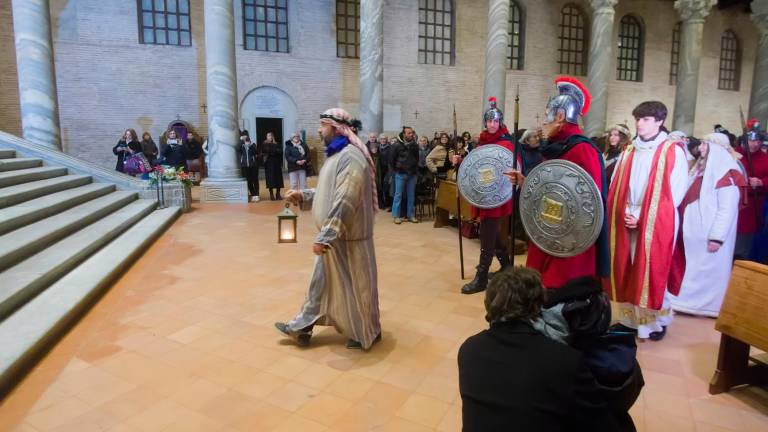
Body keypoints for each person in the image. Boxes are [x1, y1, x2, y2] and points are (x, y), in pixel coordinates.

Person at [458, 267, 621, 432]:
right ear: (539, 306)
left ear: (488, 305)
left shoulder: (469, 350)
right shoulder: (565, 360)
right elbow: (603, 423)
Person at [275, 108, 381, 350]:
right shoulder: (336, 156)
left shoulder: (351, 157)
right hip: (334, 239)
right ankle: (302, 326)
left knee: (358, 287)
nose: (319, 130)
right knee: (319, 284)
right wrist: (303, 195)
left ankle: (368, 332)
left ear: (336, 128)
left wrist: (326, 236)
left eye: (323, 125)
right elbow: (328, 193)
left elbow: (346, 200)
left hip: (348, 239)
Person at [507, 77, 608, 291]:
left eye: (546, 118)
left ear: (560, 116)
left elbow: (589, 203)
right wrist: (526, 183)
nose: (542, 125)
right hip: (548, 231)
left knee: (560, 294)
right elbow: (550, 188)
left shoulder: (583, 150)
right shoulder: (555, 147)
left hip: (570, 243)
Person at [606, 101, 688, 341]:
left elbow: (675, 192)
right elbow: (616, 186)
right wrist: (623, 212)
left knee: (651, 269)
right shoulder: (630, 149)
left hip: (656, 220)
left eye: (646, 119)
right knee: (628, 267)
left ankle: (656, 322)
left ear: (660, 121)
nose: (640, 124)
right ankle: (630, 320)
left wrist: (642, 217)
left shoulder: (672, 150)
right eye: (638, 119)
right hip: (627, 216)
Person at [670, 133, 745, 317]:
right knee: (691, 269)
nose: (700, 147)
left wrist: (716, 237)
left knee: (707, 271)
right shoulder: (700, 169)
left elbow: (727, 209)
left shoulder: (728, 173)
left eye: (705, 144)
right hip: (692, 235)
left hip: (708, 235)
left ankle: (706, 306)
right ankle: (685, 303)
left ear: (717, 148)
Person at [456, 97, 518, 295]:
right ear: (485, 122)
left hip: (497, 194)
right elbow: (474, 166)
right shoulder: (482, 141)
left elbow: (510, 167)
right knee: (491, 232)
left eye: (495, 121)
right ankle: (507, 265)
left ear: (500, 122)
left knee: (486, 233)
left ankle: (482, 276)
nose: (492, 124)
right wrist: (460, 162)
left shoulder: (506, 143)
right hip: (483, 193)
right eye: (489, 121)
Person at [735, 128, 768, 260]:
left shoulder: (766, 159)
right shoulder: (735, 155)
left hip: (753, 205)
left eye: (757, 141)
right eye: (750, 140)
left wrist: (762, 182)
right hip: (733, 203)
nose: (754, 144)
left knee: (745, 244)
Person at [390, 126, 420, 224]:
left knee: (411, 195)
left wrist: (415, 171)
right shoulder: (396, 145)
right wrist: (397, 169)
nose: (411, 135)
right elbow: (391, 160)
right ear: (404, 134)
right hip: (400, 174)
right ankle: (396, 216)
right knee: (398, 195)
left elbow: (417, 159)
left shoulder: (415, 145)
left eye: (412, 133)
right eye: (409, 133)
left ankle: (410, 215)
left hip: (412, 174)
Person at [239, 129, 261, 202]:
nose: (245, 137)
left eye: (246, 136)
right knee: (248, 181)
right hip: (245, 166)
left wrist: (250, 145)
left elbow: (256, 152)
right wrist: (241, 141)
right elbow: (238, 150)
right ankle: (253, 194)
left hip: (253, 165)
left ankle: (257, 195)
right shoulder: (241, 146)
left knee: (255, 180)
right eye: (243, 136)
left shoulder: (253, 144)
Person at [263, 132, 284, 200]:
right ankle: (271, 194)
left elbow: (280, 151)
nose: (270, 137)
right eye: (268, 136)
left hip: (277, 163)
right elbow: (266, 151)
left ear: (273, 137)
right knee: (270, 179)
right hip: (269, 163)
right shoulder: (264, 144)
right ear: (266, 137)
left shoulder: (277, 143)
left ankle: (278, 194)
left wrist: (273, 151)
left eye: (271, 136)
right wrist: (274, 151)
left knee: (278, 179)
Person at [376, 133, 392, 210]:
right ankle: (381, 204)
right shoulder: (377, 148)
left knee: (386, 187)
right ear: (379, 140)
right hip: (379, 170)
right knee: (379, 186)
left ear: (386, 140)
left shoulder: (390, 148)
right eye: (381, 139)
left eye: (384, 139)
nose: (383, 140)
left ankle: (388, 203)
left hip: (388, 170)